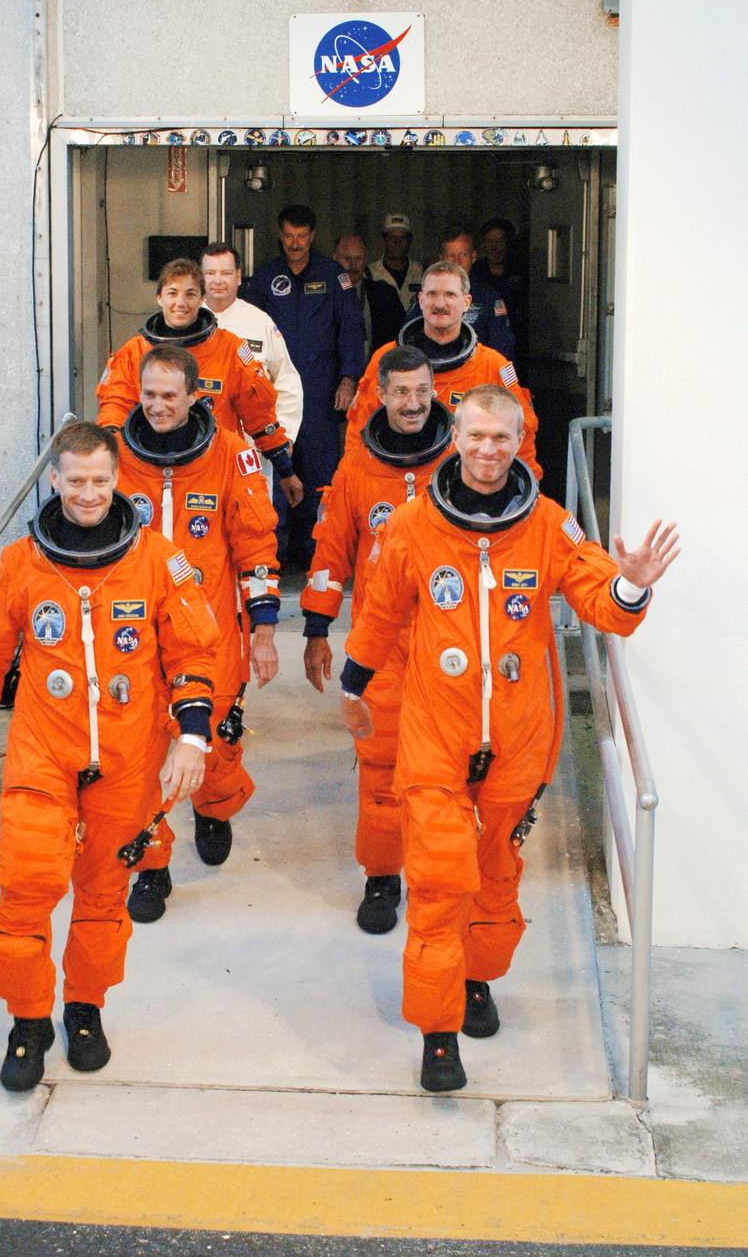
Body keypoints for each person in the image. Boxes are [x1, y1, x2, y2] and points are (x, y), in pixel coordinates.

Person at [339, 385, 679, 1094]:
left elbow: (599, 603)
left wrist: (632, 587)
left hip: (518, 741)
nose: (488, 451)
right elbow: (379, 611)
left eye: (502, 438)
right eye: (476, 437)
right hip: (436, 735)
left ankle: (477, 979)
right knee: (437, 880)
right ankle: (437, 1033)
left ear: (520, 442)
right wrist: (353, 683)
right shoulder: (411, 525)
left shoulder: (549, 526)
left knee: (494, 877)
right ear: (454, 438)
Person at [0, 422, 218, 1093]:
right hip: (43, 754)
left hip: (125, 760)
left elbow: (192, 651)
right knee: (24, 893)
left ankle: (85, 1007)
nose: (90, 493)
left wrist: (192, 736)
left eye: (101, 480)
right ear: (56, 481)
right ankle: (28, 1018)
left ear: (116, 478)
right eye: (77, 481)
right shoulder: (21, 564)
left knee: (102, 898)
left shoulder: (158, 559)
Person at [112, 346, 280, 917]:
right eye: (149, 395)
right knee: (138, 758)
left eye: (169, 396)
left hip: (208, 632)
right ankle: (152, 866)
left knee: (216, 740)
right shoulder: (114, 455)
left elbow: (256, 545)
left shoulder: (231, 455)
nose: (157, 406)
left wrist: (262, 630)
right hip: (134, 636)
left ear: (194, 396)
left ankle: (213, 807)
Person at [302, 346, 452, 934]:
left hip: (451, 642)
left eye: (422, 392)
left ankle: (439, 875)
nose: (413, 404)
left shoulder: (463, 460)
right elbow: (330, 548)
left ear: (433, 391)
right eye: (401, 393)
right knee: (381, 767)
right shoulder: (358, 468)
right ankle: (383, 877)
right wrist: (316, 628)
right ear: (381, 395)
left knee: (453, 772)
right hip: (381, 645)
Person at [96, 257, 302, 510]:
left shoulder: (230, 350)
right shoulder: (134, 352)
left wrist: (285, 469)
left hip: (214, 471)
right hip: (147, 474)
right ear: (159, 297)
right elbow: (114, 411)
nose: (180, 303)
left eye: (190, 294)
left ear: (202, 299)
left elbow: (260, 417)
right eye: (172, 293)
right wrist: (105, 460)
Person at [243, 204, 365, 569]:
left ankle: (316, 555)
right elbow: (247, 334)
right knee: (274, 470)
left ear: (312, 236)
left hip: (320, 389)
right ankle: (272, 555)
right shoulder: (264, 279)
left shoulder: (333, 276)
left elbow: (351, 330)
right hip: (272, 393)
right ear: (280, 237)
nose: (295, 244)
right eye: (289, 236)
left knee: (318, 473)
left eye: (301, 236)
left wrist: (348, 379)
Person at [347, 261, 541, 479]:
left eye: (450, 295)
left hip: (465, 488)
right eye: (432, 294)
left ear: (466, 302)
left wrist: (525, 490)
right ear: (420, 300)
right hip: (398, 481)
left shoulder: (493, 365)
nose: (440, 304)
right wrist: (353, 485)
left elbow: (522, 430)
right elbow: (359, 430)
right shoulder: (386, 359)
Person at [200, 242, 303, 499]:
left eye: (225, 273)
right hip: (197, 450)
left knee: (253, 522)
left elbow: (286, 381)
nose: (218, 281)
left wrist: (285, 437)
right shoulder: (186, 321)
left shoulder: (259, 322)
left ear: (238, 276)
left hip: (252, 449)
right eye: (210, 273)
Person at [435, 226, 517, 364]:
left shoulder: (489, 298)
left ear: (473, 257)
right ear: (442, 259)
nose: (457, 262)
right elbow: (405, 346)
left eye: (463, 255)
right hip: (437, 379)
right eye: (451, 256)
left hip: (477, 380)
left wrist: (509, 385)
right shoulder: (427, 299)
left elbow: (505, 354)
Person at [471, 218, 529, 380]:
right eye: (489, 241)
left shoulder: (523, 272)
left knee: (510, 386)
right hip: (481, 349)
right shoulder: (475, 273)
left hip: (515, 347)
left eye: (499, 241)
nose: (494, 247)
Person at [333, 234, 406, 358]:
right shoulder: (323, 296)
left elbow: (401, 336)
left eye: (358, 258)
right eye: (347, 258)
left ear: (366, 259)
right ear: (335, 259)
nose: (353, 265)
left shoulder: (385, 294)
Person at [368, 212, 425, 311]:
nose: (397, 243)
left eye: (402, 238)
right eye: (392, 238)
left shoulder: (423, 273)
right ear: (385, 240)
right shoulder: (369, 274)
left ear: (409, 240)